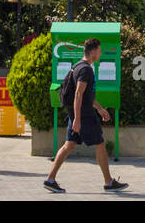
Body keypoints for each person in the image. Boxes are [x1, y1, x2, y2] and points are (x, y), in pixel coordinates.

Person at [44, 38, 128, 193]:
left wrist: (100, 108)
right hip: (83, 115)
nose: (101, 53)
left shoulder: (78, 66)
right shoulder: (85, 70)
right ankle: (109, 183)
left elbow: (87, 96)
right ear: (94, 51)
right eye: (100, 50)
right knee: (100, 144)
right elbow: (78, 94)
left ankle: (50, 179)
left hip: (79, 113)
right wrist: (77, 119)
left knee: (69, 145)